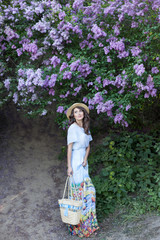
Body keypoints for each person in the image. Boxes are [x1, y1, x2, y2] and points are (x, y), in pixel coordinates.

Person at [66, 103, 99, 238]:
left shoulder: (85, 128)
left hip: (84, 162)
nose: (78, 113)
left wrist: (85, 159)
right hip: (75, 160)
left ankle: (88, 226)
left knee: (89, 192)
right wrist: (69, 166)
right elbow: (69, 148)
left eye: (80, 111)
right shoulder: (72, 128)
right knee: (80, 194)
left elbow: (88, 146)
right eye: (75, 112)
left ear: (84, 114)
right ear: (73, 116)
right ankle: (78, 227)